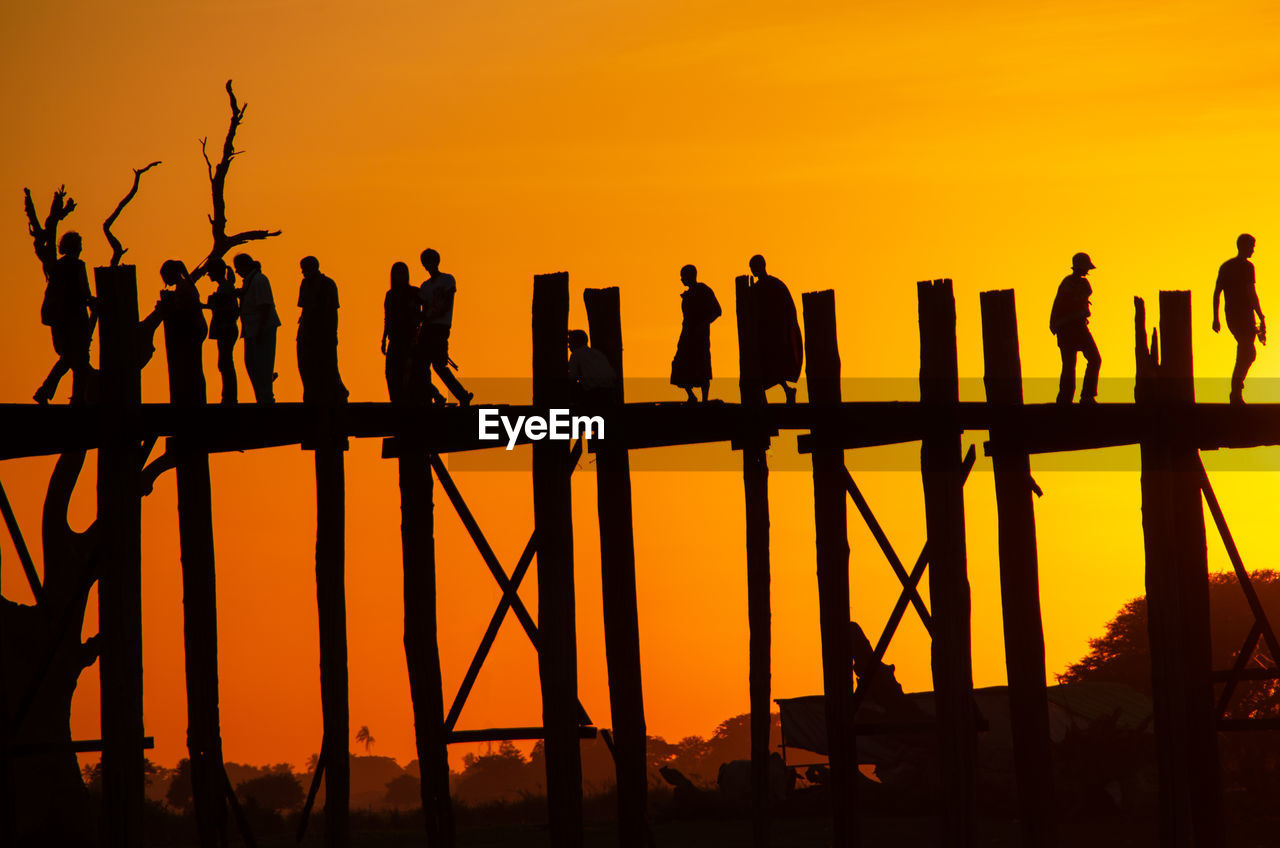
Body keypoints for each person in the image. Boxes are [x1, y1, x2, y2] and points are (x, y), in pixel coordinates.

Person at [34, 231, 96, 404]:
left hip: (59, 321)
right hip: (76, 319)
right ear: (77, 247)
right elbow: (85, 293)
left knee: (68, 358)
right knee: (81, 361)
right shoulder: (77, 265)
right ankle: (77, 399)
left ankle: (46, 391)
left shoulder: (56, 267)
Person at [1213, 234, 1266, 405]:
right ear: (1244, 246)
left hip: (1234, 315)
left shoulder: (1226, 266)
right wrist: (1261, 315)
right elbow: (1251, 293)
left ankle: (1236, 390)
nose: (1253, 250)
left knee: (1246, 352)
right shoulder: (1246, 267)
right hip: (1241, 315)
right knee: (1248, 351)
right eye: (1252, 246)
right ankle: (1235, 391)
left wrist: (1216, 317)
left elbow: (1216, 294)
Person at [417, 248, 472, 405]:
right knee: (421, 367)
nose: (429, 265)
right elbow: (424, 310)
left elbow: (446, 305)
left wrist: (428, 316)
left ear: (437, 261)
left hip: (440, 328)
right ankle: (437, 396)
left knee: (439, 365)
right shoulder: (424, 287)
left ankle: (461, 395)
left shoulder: (448, 280)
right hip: (427, 329)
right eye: (426, 262)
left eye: (431, 261)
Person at [747, 254, 802, 404]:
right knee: (765, 368)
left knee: (773, 366)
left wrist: (785, 331)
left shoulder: (775, 285)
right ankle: (785, 392)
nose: (753, 270)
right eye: (751, 268)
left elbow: (787, 309)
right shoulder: (759, 287)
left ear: (762, 266)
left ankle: (786, 391)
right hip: (764, 334)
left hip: (775, 334)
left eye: (754, 267)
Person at [1050, 252, 1101, 405]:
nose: (1087, 271)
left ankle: (1081, 397)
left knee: (1091, 360)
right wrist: (1081, 311)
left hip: (1076, 328)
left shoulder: (1081, 284)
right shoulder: (1068, 285)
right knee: (1071, 365)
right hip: (1068, 329)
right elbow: (1068, 307)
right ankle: (1069, 399)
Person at [297, 255, 348, 406]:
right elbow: (304, 310)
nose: (303, 272)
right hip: (308, 334)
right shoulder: (305, 284)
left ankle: (338, 397)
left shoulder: (327, 284)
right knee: (307, 368)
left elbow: (332, 313)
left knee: (329, 368)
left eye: (304, 269)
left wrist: (332, 335)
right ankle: (312, 399)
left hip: (324, 335)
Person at [157, 259, 208, 405]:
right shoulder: (185, 285)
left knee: (194, 365)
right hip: (195, 329)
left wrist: (168, 305)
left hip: (194, 329)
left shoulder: (184, 287)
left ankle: (196, 398)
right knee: (193, 364)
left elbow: (185, 309)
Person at [670, 264, 722, 403]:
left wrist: (703, 324)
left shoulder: (704, 290)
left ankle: (705, 399)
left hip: (700, 336)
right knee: (680, 364)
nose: (681, 279)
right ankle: (691, 396)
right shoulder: (688, 294)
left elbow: (717, 311)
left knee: (702, 365)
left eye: (683, 276)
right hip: (687, 335)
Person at [233, 252, 280, 404]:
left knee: (263, 366)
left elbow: (266, 306)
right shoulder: (249, 281)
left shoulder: (259, 280)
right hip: (251, 330)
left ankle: (266, 399)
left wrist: (261, 331)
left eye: (238, 267)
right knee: (252, 365)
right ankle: (261, 397)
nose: (237, 271)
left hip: (261, 329)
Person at [382, 261, 420, 404]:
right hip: (394, 339)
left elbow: (422, 312)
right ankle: (395, 400)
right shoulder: (390, 295)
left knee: (409, 373)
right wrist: (384, 338)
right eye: (397, 273)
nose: (400, 276)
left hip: (409, 338)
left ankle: (407, 401)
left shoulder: (414, 292)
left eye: (403, 273)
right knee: (390, 372)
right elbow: (387, 317)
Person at [203, 258, 240, 404]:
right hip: (226, 329)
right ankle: (228, 396)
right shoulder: (225, 286)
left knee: (225, 363)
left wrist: (212, 305)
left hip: (226, 329)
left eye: (210, 272)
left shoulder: (225, 287)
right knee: (224, 363)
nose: (208, 275)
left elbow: (230, 309)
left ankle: (229, 397)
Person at [567, 329, 617, 406]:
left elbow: (572, 377)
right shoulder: (598, 353)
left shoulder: (576, 354)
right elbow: (613, 375)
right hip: (610, 393)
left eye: (570, 342)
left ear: (577, 342)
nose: (568, 345)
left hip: (593, 394)